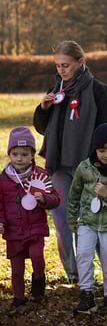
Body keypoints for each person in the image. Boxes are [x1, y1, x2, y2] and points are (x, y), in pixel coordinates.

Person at [32, 40, 107, 285]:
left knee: (100, 220)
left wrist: (101, 165)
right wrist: (43, 109)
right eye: (57, 66)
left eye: (66, 65)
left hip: (90, 167)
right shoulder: (57, 90)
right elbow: (43, 128)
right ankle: (75, 275)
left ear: (81, 62)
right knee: (64, 222)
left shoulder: (99, 90)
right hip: (59, 166)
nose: (61, 70)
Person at [67, 124, 107, 313]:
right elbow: (74, 194)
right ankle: (87, 294)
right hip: (87, 221)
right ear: (95, 148)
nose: (106, 155)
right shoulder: (84, 167)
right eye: (101, 150)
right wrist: (72, 218)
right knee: (84, 256)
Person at [0, 127, 59, 308]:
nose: (19, 158)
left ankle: (39, 280)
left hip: (35, 227)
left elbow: (55, 198)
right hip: (13, 230)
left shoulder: (40, 175)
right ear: (9, 154)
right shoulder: (4, 179)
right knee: (17, 269)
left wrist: (44, 199)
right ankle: (18, 298)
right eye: (15, 154)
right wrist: (1, 221)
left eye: (24, 154)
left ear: (32, 154)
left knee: (36, 255)